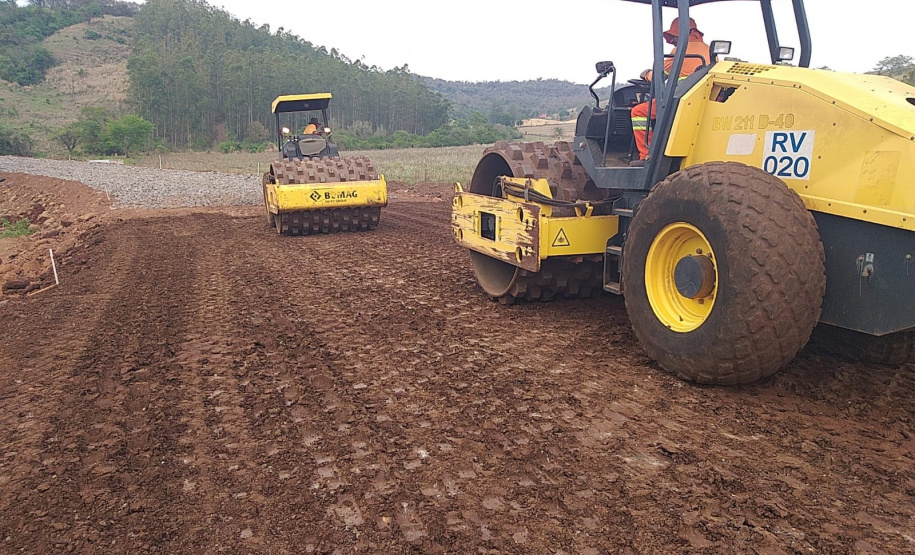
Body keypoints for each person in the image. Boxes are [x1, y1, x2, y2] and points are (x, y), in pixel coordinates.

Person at [630, 17, 709, 165]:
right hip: (700, 101)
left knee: (638, 112)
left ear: (684, 34)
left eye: (674, 37)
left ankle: (646, 155)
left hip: (678, 101)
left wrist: (646, 74)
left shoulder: (680, 51)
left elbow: (659, 76)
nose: (673, 41)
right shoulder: (709, 50)